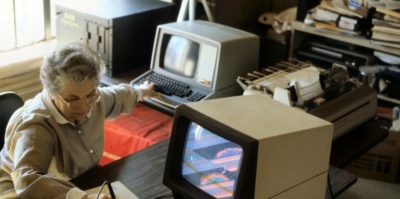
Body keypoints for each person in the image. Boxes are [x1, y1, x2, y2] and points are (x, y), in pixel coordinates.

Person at [0, 42, 159, 199]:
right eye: (72, 99)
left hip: (79, 182)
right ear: (51, 93)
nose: (84, 107)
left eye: (90, 94)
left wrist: (141, 92)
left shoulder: (95, 100)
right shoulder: (35, 126)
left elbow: (117, 96)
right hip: (20, 193)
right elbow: (27, 179)